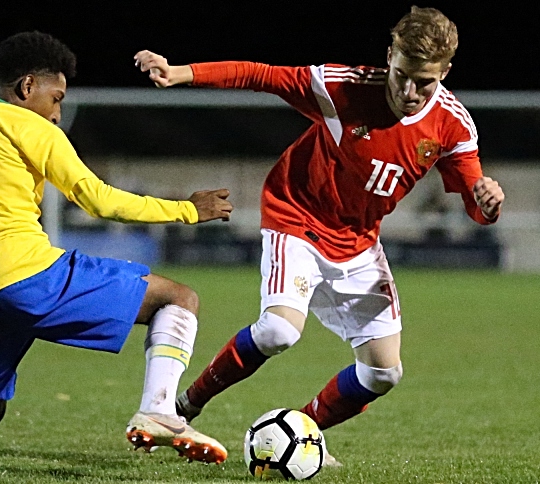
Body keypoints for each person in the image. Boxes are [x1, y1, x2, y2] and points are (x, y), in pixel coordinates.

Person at [134, 5, 505, 465]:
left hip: (359, 241)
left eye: (424, 82)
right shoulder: (341, 87)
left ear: (445, 72)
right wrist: (182, 73)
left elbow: (475, 203)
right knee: (277, 331)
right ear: (389, 55)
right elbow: (260, 75)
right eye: (402, 75)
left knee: (384, 373)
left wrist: (486, 203)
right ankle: (184, 405)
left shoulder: (453, 126)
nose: (410, 91)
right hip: (298, 215)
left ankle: (302, 432)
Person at [0, 31, 233, 477]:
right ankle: (158, 411)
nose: (57, 113)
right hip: (27, 274)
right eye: (55, 98)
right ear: (26, 88)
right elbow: (97, 199)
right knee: (178, 298)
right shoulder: (29, 125)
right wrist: (188, 209)